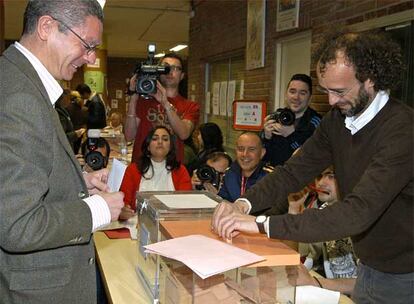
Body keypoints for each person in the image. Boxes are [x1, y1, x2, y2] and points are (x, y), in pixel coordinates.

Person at [212, 29, 413, 303]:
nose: (331, 101)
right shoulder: (337, 120)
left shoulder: (402, 130)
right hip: (370, 265)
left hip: (405, 274)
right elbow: (293, 171)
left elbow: (357, 211)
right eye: (326, 91)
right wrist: (244, 204)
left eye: (339, 91)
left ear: (371, 80)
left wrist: (260, 224)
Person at [0, 1, 124, 303]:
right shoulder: (22, 98)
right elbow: (17, 225)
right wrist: (98, 209)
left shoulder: (20, 81)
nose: (91, 57)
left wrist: (78, 181)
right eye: (87, 44)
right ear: (46, 27)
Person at [287, 167, 357, 296]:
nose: (321, 183)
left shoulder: (363, 218)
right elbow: (295, 256)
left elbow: (371, 285)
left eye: (331, 176)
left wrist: (315, 282)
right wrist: (293, 210)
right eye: (319, 176)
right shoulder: (322, 213)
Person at [124, 53, 200, 164]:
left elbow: (183, 133)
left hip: (171, 169)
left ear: (182, 75)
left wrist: (165, 103)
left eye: (175, 68)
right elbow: (129, 136)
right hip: (142, 167)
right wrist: (133, 96)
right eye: (165, 68)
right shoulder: (144, 100)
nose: (169, 71)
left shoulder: (190, 106)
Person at [119, 126, 192, 220]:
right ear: (148, 146)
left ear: (170, 147)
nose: (160, 142)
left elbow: (186, 204)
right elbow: (123, 203)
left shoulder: (180, 171)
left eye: (165, 139)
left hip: (171, 223)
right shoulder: (133, 169)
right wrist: (123, 211)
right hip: (137, 224)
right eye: (155, 138)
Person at [261, 74, 321, 166]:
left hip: (302, 179)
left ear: (310, 98)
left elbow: (311, 158)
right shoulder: (277, 116)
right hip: (276, 176)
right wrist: (266, 138)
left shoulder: (316, 122)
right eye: (292, 92)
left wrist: (291, 135)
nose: (296, 97)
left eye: (302, 93)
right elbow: (263, 157)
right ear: (286, 95)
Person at [217, 132, 272, 205]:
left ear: (262, 153)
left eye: (251, 149)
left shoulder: (271, 177)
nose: (245, 154)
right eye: (241, 149)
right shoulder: (229, 174)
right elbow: (223, 202)